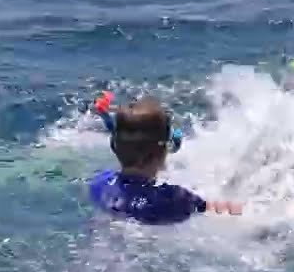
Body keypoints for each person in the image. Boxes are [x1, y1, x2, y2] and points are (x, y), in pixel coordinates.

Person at [87, 93, 242, 224]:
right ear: (162, 152)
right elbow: (219, 210)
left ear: (115, 146)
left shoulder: (99, 184)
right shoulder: (174, 199)